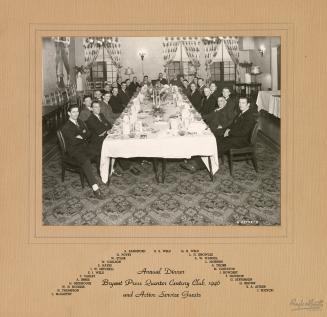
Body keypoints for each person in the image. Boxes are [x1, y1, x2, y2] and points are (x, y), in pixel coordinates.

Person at [61, 104, 104, 199]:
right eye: (73, 112)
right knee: (86, 161)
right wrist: (82, 134)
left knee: (99, 151)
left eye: (77, 111)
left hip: (83, 146)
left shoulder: (80, 121)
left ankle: (102, 174)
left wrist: (81, 135)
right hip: (73, 151)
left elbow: (88, 133)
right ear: (69, 113)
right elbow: (73, 141)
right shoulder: (66, 127)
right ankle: (95, 188)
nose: (76, 114)